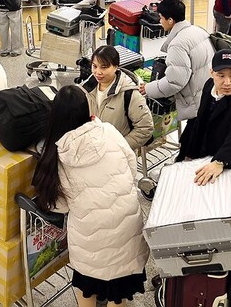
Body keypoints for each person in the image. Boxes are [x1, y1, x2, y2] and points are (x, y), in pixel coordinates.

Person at [31, 85, 149, 307]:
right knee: (119, 292)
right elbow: (132, 168)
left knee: (86, 287)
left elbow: (60, 206)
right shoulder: (109, 130)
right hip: (127, 228)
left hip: (91, 240)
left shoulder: (58, 154)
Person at [178, 49, 231, 186]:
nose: (227, 82)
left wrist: (221, 161)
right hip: (204, 149)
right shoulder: (209, 86)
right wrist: (188, 151)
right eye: (221, 76)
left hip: (228, 155)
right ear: (212, 73)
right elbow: (200, 120)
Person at [139, 0, 215, 121]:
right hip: (208, 94)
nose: (159, 21)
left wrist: (148, 88)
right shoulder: (197, 30)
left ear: (170, 20)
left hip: (196, 104)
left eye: (161, 17)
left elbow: (174, 82)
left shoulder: (177, 44)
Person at [81, 46, 153, 151]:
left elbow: (145, 128)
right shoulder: (86, 88)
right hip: (93, 151)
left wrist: (118, 147)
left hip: (118, 157)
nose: (98, 72)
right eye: (94, 66)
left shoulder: (129, 93)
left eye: (104, 67)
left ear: (115, 67)